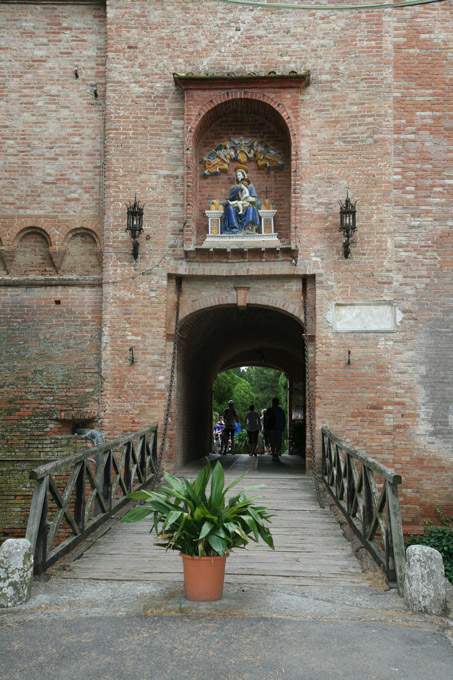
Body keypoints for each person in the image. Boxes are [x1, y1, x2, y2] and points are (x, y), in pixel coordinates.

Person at [221, 166, 260, 234]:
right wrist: (223, 203)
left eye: (239, 175)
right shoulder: (234, 187)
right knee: (230, 208)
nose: (238, 177)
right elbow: (229, 199)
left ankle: (248, 229)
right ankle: (234, 228)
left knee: (251, 208)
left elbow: (255, 199)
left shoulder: (249, 187)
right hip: (236, 206)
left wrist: (248, 199)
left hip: (246, 204)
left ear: (243, 175)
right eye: (237, 175)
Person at [266, 397, 286, 462]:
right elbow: (284, 420)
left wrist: (266, 428)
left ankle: (274, 454)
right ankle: (276, 453)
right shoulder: (280, 410)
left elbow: (266, 420)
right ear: (278, 403)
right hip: (278, 428)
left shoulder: (269, 410)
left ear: (272, 403)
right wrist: (283, 427)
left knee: (272, 442)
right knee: (278, 442)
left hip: (271, 428)